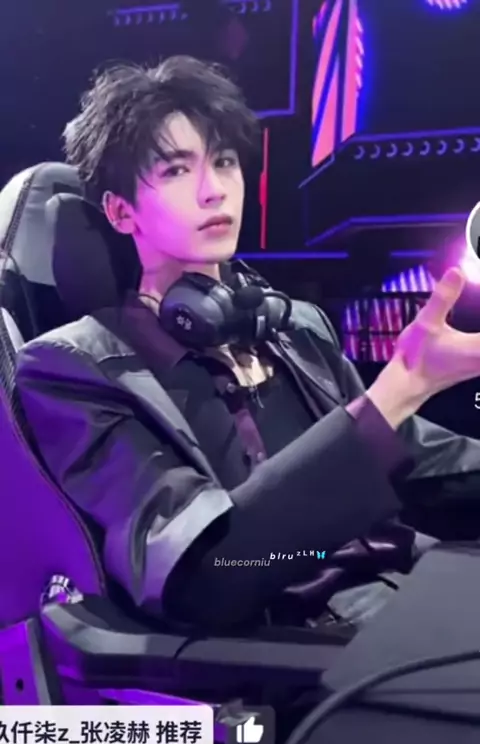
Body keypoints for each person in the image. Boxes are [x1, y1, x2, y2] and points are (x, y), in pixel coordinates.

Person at [14, 56, 480, 633]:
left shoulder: (294, 328)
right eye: (176, 170)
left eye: (225, 161)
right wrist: (398, 390)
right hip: (297, 652)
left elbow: (423, 463)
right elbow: (210, 576)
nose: (214, 191)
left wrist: (401, 403)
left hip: (411, 598)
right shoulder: (74, 370)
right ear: (121, 211)